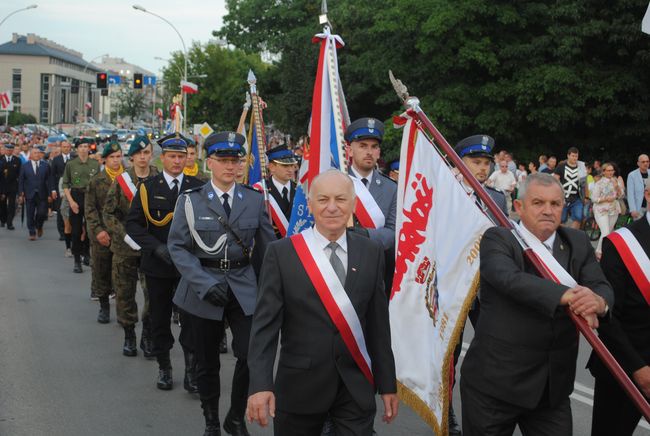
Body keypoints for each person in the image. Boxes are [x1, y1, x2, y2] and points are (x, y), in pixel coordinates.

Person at [460, 173, 614, 436]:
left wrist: (599, 302)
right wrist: (567, 296)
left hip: (551, 391)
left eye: (555, 204)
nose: (547, 210)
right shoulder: (499, 238)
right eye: (538, 203)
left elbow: (600, 285)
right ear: (519, 207)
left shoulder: (575, 242)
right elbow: (509, 279)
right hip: (495, 387)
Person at [247, 170, 398, 436]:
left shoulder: (372, 253)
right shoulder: (282, 254)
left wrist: (387, 385)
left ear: (352, 203)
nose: (331, 207)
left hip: (355, 387)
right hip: (300, 387)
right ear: (310, 203)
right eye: (323, 199)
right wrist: (260, 385)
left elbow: (378, 326)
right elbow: (264, 327)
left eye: (340, 199)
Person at [167, 131, 275, 436]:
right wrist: (202, 282)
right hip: (202, 287)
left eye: (235, 160)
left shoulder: (253, 200)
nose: (231, 166)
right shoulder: (191, 201)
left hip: (243, 286)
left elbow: (268, 248)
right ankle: (211, 420)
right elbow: (178, 246)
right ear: (209, 162)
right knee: (206, 361)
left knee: (250, 354)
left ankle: (236, 417)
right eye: (224, 160)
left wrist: (272, 286)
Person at [126, 133, 205, 393]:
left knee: (192, 319)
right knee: (159, 318)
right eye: (172, 156)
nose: (177, 161)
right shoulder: (148, 188)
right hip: (158, 265)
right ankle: (164, 366)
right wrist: (155, 247)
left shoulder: (198, 187)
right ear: (163, 158)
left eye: (181, 156)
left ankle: (192, 369)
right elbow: (134, 225)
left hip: (189, 268)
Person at [587, 178, 650, 436]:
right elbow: (608, 316)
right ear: (647, 193)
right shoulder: (621, 243)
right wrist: (639, 370)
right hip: (626, 370)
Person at [103, 136, 157, 358]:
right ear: (132, 157)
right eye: (139, 154)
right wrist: (124, 236)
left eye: (147, 153)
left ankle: (147, 334)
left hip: (151, 247)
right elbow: (108, 213)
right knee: (125, 293)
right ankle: (129, 335)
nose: (143, 157)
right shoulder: (122, 181)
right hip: (125, 248)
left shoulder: (159, 178)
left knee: (153, 293)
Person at [345, 117, 397, 295]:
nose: (369, 151)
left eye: (374, 147)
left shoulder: (391, 188)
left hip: (379, 271)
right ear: (349, 150)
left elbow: (393, 233)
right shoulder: (337, 182)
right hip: (342, 267)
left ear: (379, 152)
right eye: (363, 145)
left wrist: (363, 234)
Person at [85, 141, 122, 320]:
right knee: (102, 270)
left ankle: (123, 310)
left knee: (122, 274)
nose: (116, 161)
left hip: (123, 234)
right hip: (102, 234)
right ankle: (104, 305)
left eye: (118, 157)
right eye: (112, 157)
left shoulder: (128, 179)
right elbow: (90, 209)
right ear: (105, 160)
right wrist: (99, 231)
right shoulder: (96, 181)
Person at [62, 138, 100, 272]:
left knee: (90, 230)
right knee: (76, 231)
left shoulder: (95, 164)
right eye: (81, 146)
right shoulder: (71, 164)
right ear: (77, 149)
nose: (84, 149)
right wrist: (71, 202)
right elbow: (65, 184)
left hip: (90, 197)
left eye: (86, 146)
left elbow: (98, 185)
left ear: (89, 148)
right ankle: (77, 260)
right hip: (76, 196)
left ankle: (87, 255)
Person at [17, 144, 54, 240]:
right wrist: (21, 193)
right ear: (31, 155)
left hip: (42, 194)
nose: (37, 154)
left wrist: (50, 193)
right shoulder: (25, 166)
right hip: (29, 193)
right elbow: (21, 180)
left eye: (38, 153)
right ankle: (32, 232)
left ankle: (39, 226)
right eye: (35, 153)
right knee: (30, 214)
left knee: (42, 213)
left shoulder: (45, 166)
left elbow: (49, 180)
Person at [590, 163, 623, 260]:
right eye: (608, 170)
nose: (610, 172)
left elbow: (621, 195)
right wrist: (605, 199)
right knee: (605, 232)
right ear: (603, 172)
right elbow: (593, 198)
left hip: (613, 210)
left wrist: (617, 186)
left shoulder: (616, 181)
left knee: (609, 233)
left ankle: (606, 252)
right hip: (601, 210)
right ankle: (598, 252)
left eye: (612, 170)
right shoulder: (599, 183)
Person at [265, 144, 297, 238]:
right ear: (272, 167)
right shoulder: (262, 191)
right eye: (285, 165)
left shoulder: (300, 190)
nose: (290, 170)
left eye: (292, 165)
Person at [553, 147, 586, 229]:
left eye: (576, 156)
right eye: (573, 156)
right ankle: (562, 236)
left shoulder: (581, 168)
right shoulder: (561, 166)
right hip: (562, 197)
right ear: (568, 156)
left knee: (578, 217)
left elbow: (585, 183)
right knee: (561, 219)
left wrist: (586, 196)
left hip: (576, 198)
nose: (575, 158)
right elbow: (554, 181)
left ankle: (572, 236)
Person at [51, 140, 73, 242]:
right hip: (60, 189)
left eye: (68, 147)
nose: (66, 149)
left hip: (72, 188)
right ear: (61, 147)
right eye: (64, 147)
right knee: (61, 210)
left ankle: (70, 231)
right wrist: (53, 190)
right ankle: (62, 232)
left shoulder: (74, 159)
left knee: (71, 211)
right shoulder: (56, 159)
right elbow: (52, 175)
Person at [0, 143, 21, 230]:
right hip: (1, 185)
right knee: (2, 204)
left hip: (12, 185)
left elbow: (19, 174)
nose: (9, 151)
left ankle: (10, 223)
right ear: (4, 150)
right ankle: (3, 219)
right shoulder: (0, 159)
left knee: (12, 205)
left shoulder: (17, 160)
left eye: (11, 150)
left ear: (13, 150)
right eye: (7, 150)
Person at [627, 154, 648, 220]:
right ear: (638, 163)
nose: (646, 163)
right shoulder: (632, 175)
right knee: (639, 229)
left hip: (649, 207)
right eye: (643, 162)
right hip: (638, 208)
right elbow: (630, 194)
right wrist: (633, 209)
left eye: (647, 161)